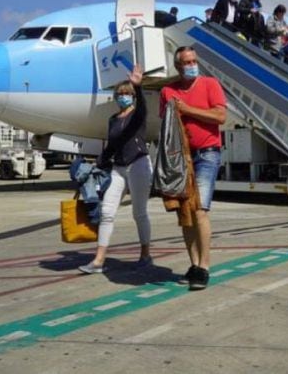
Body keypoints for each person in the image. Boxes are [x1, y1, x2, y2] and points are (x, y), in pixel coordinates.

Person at [159, 45, 227, 290]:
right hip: (180, 158)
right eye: (186, 62)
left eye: (193, 61)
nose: (191, 65)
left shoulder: (210, 84)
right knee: (185, 213)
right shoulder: (167, 91)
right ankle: (194, 264)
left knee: (199, 210)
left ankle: (205, 267)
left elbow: (220, 117)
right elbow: (167, 127)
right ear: (177, 66)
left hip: (207, 153)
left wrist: (188, 110)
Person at [79, 65, 153, 274]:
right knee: (107, 212)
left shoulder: (137, 114)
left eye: (127, 93)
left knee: (139, 212)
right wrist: (98, 162)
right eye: (120, 94)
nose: (123, 97)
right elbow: (111, 146)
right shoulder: (113, 120)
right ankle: (98, 260)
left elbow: (143, 109)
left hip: (138, 163)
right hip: (118, 167)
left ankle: (145, 254)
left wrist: (138, 87)